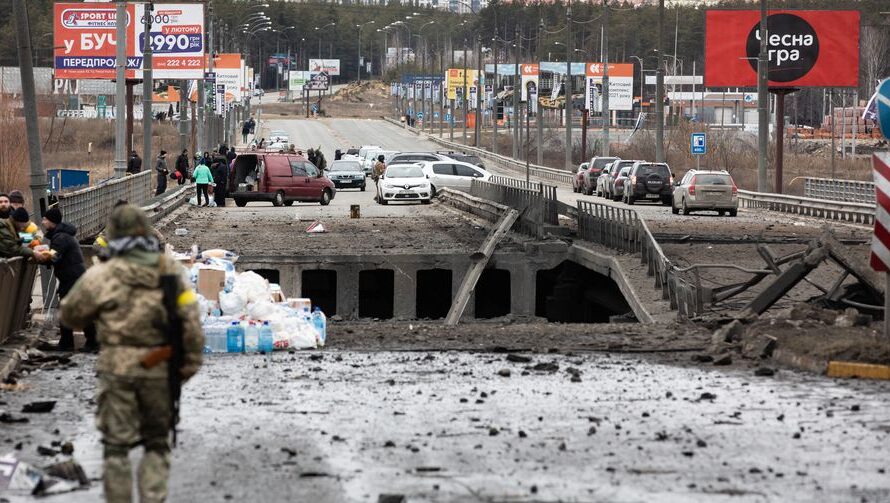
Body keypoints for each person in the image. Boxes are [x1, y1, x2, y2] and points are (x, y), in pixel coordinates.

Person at [60, 204, 203, 503]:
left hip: (117, 369)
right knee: (156, 444)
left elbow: (71, 315)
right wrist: (185, 368)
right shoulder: (172, 272)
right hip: (160, 367)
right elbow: (190, 321)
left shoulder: (103, 274)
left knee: (116, 448)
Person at [42, 207, 98, 352]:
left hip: (73, 278)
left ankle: (76, 342)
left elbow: (54, 257)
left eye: (45, 219)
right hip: (73, 277)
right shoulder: (62, 235)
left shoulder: (60, 238)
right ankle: (84, 341)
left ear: (52, 222)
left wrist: (38, 256)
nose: (43, 222)